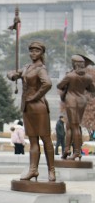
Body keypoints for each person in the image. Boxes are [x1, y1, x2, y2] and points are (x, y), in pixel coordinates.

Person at [8, 41, 57, 181]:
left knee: (46, 139)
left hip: (38, 107)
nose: (33, 53)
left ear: (42, 53)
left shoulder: (41, 68)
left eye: (36, 51)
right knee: (33, 140)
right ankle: (33, 170)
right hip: (27, 108)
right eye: (31, 51)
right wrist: (12, 75)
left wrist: (35, 97)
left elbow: (47, 83)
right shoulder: (26, 67)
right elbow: (13, 73)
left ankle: (51, 171)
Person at [57, 54, 95, 160]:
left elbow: (59, 86)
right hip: (82, 101)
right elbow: (92, 89)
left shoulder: (70, 76)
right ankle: (67, 150)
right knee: (69, 126)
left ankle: (77, 152)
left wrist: (68, 81)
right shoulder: (87, 77)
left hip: (71, 101)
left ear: (74, 64)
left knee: (74, 126)